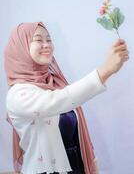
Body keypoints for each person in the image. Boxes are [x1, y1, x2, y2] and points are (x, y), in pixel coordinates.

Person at [4, 22, 129, 174]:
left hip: (77, 168)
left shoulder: (56, 83)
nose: (46, 45)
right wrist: (105, 70)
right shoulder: (17, 94)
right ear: (21, 47)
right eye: (38, 39)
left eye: (49, 39)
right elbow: (58, 101)